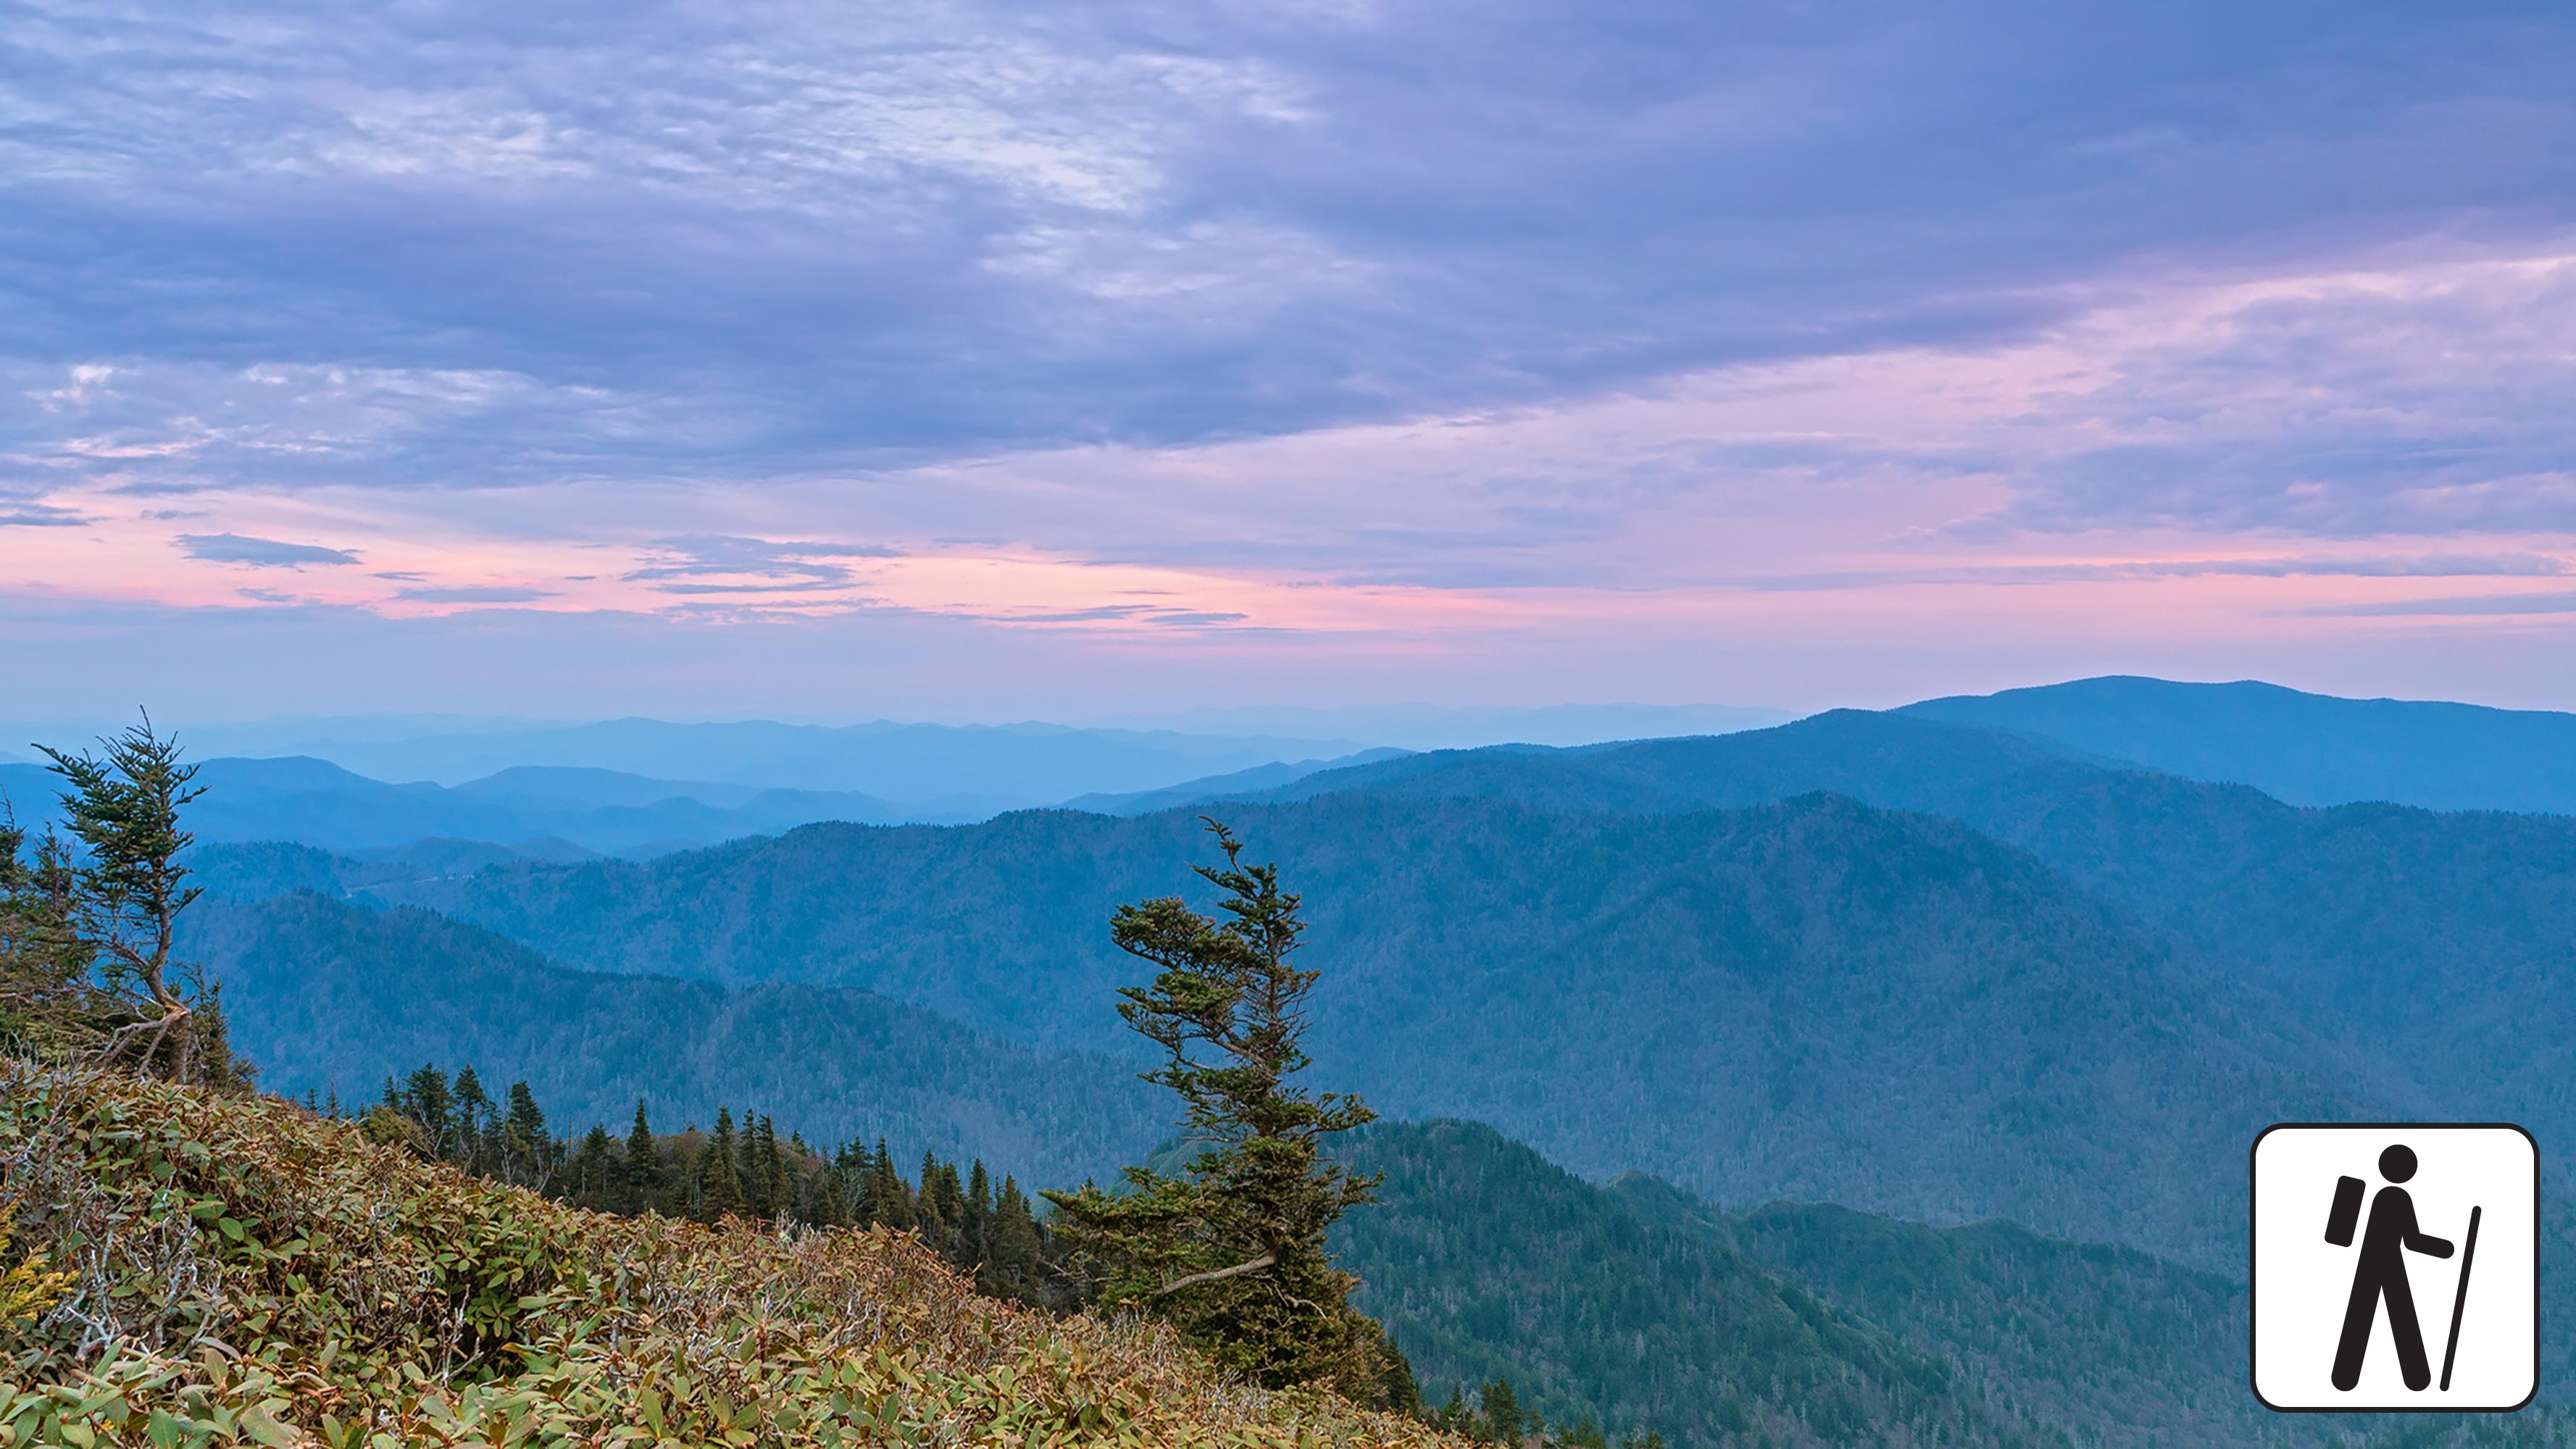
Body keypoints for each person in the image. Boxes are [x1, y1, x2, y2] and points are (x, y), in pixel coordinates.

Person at [2333, 1144, 2454, 1391]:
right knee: (2402, 1318)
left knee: (2361, 1318)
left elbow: (2339, 1234)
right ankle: (2416, 1378)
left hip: (2369, 1262)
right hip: (2388, 1263)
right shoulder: (2397, 1198)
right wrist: (2446, 1249)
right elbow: (2413, 1241)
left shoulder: (2361, 1189)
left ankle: (2345, 1378)